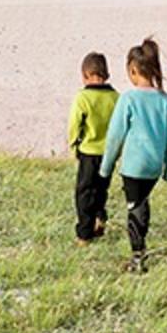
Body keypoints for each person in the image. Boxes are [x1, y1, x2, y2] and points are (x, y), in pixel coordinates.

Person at [99, 38, 167, 272]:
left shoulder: (129, 99)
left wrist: (106, 167)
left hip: (133, 165)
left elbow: (115, 136)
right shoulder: (165, 100)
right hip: (153, 166)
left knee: (134, 206)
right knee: (142, 202)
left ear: (133, 70)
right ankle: (140, 249)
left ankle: (137, 256)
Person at [66, 51, 119, 244]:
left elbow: (74, 124)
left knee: (84, 192)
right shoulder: (115, 97)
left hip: (89, 151)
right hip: (109, 152)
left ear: (85, 75)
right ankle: (100, 217)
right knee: (101, 188)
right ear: (106, 74)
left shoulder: (83, 98)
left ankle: (84, 233)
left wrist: (74, 143)